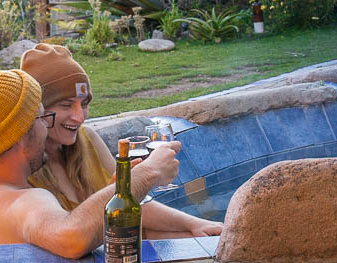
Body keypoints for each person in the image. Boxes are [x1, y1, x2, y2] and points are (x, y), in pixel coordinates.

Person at [0, 69, 185, 257]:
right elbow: (74, 237)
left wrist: (113, 191)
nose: (47, 128)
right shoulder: (21, 205)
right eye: (43, 118)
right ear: (20, 136)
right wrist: (148, 173)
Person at [20, 43, 222, 238]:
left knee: (193, 235)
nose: (79, 117)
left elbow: (130, 204)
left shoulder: (87, 139)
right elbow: (72, 239)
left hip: (112, 251)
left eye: (84, 104)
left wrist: (196, 224)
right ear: (39, 109)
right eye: (66, 105)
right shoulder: (23, 168)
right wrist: (149, 173)